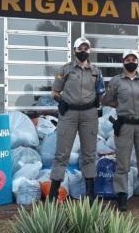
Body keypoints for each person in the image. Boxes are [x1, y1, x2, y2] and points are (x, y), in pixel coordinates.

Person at [103, 49, 139, 211]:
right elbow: (106, 99)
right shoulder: (116, 81)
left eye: (134, 59)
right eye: (128, 59)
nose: (131, 61)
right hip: (125, 126)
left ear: (138, 61)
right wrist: (119, 105)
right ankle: (122, 196)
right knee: (123, 162)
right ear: (123, 61)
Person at [49, 36, 105, 202]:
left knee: (89, 153)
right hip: (69, 114)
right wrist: (61, 102)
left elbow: (100, 92)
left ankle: (90, 194)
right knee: (62, 153)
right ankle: (53, 193)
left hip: (89, 115)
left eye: (86, 48)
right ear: (74, 51)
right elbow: (55, 92)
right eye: (80, 49)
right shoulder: (65, 69)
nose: (83, 51)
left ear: (89, 51)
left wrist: (99, 103)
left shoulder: (96, 71)